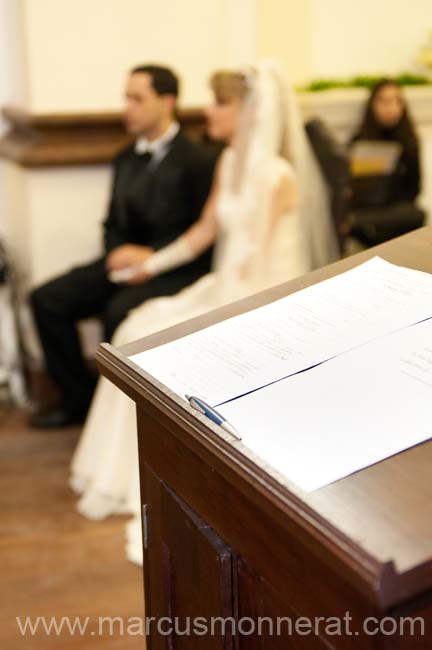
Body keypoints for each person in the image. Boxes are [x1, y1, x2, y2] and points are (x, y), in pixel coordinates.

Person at [70, 61, 339, 564]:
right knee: (135, 325)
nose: (208, 110)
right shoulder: (229, 161)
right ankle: (122, 475)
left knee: (156, 337)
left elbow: (258, 262)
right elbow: (203, 234)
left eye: (219, 102)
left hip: (259, 296)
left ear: (248, 110)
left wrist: (220, 311)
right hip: (223, 285)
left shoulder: (277, 176)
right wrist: (150, 265)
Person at [29, 64, 217, 428]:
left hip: (174, 268)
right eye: (125, 98)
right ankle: (79, 400)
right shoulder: (126, 157)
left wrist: (149, 259)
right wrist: (116, 253)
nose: (126, 108)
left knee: (118, 312)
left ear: (167, 102)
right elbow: (112, 222)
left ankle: (120, 420)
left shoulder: (199, 160)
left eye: (137, 99)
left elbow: (201, 231)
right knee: (46, 299)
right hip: (122, 261)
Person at [349, 78, 424, 245]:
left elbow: (415, 188)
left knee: (414, 216)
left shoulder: (409, 141)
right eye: (384, 101)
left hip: (397, 210)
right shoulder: (360, 141)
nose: (391, 107)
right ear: (373, 105)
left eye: (397, 101)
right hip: (367, 210)